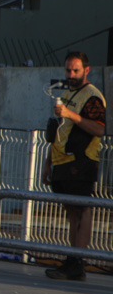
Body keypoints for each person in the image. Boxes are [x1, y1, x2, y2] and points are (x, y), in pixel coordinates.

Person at [43, 52, 106, 281]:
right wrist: (47, 163)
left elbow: (99, 129)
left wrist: (70, 114)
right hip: (62, 160)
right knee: (71, 212)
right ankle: (72, 258)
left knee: (82, 208)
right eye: (68, 70)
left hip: (81, 161)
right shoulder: (68, 93)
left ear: (86, 70)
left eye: (75, 70)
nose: (71, 74)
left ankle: (78, 260)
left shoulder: (92, 97)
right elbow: (59, 130)